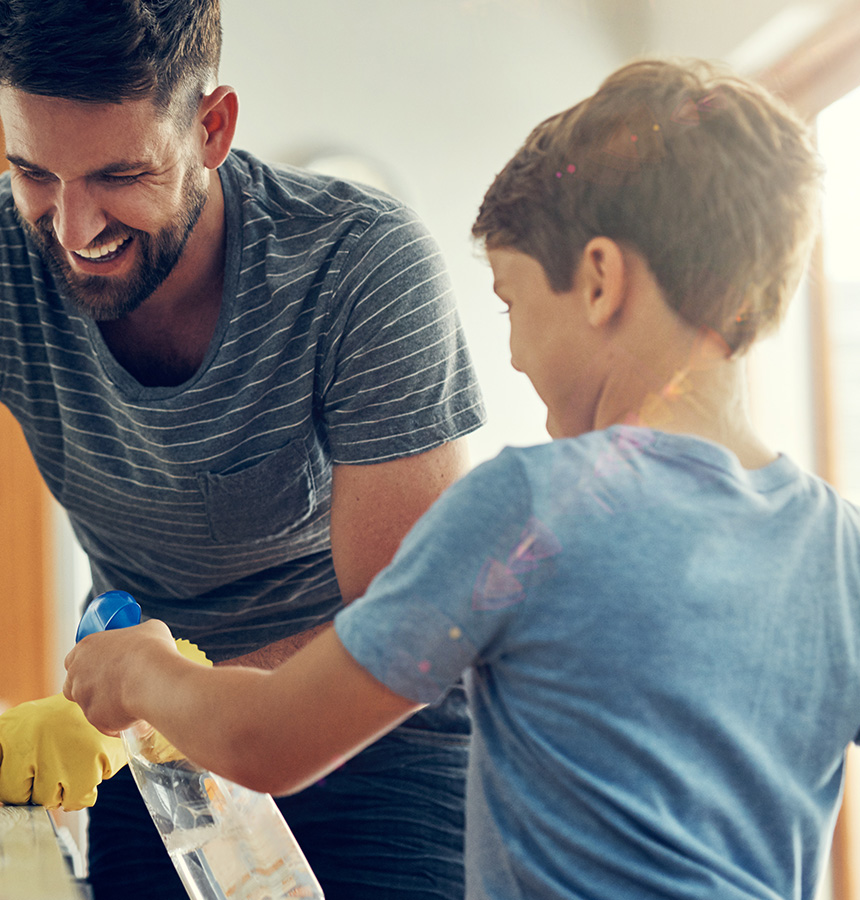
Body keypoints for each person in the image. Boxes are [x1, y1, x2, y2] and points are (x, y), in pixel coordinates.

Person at [0, 1, 484, 897]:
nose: (74, 228)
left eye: (119, 175)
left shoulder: (361, 267)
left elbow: (398, 626)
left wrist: (161, 693)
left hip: (373, 754)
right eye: (33, 172)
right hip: (142, 759)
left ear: (212, 128)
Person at [64, 56, 859, 900]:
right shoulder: (839, 548)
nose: (512, 357)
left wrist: (142, 669)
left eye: (512, 302)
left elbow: (272, 742)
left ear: (599, 280)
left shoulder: (530, 510)